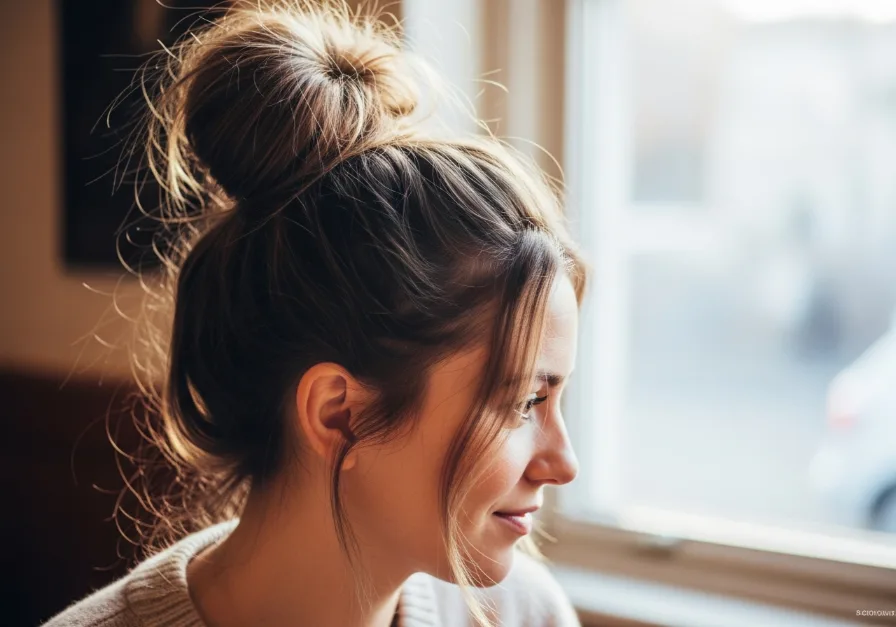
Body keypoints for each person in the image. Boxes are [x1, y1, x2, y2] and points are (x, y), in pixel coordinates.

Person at [43, 1, 589, 625]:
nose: (564, 464)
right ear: (341, 414)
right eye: (523, 403)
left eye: (554, 397)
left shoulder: (524, 613)